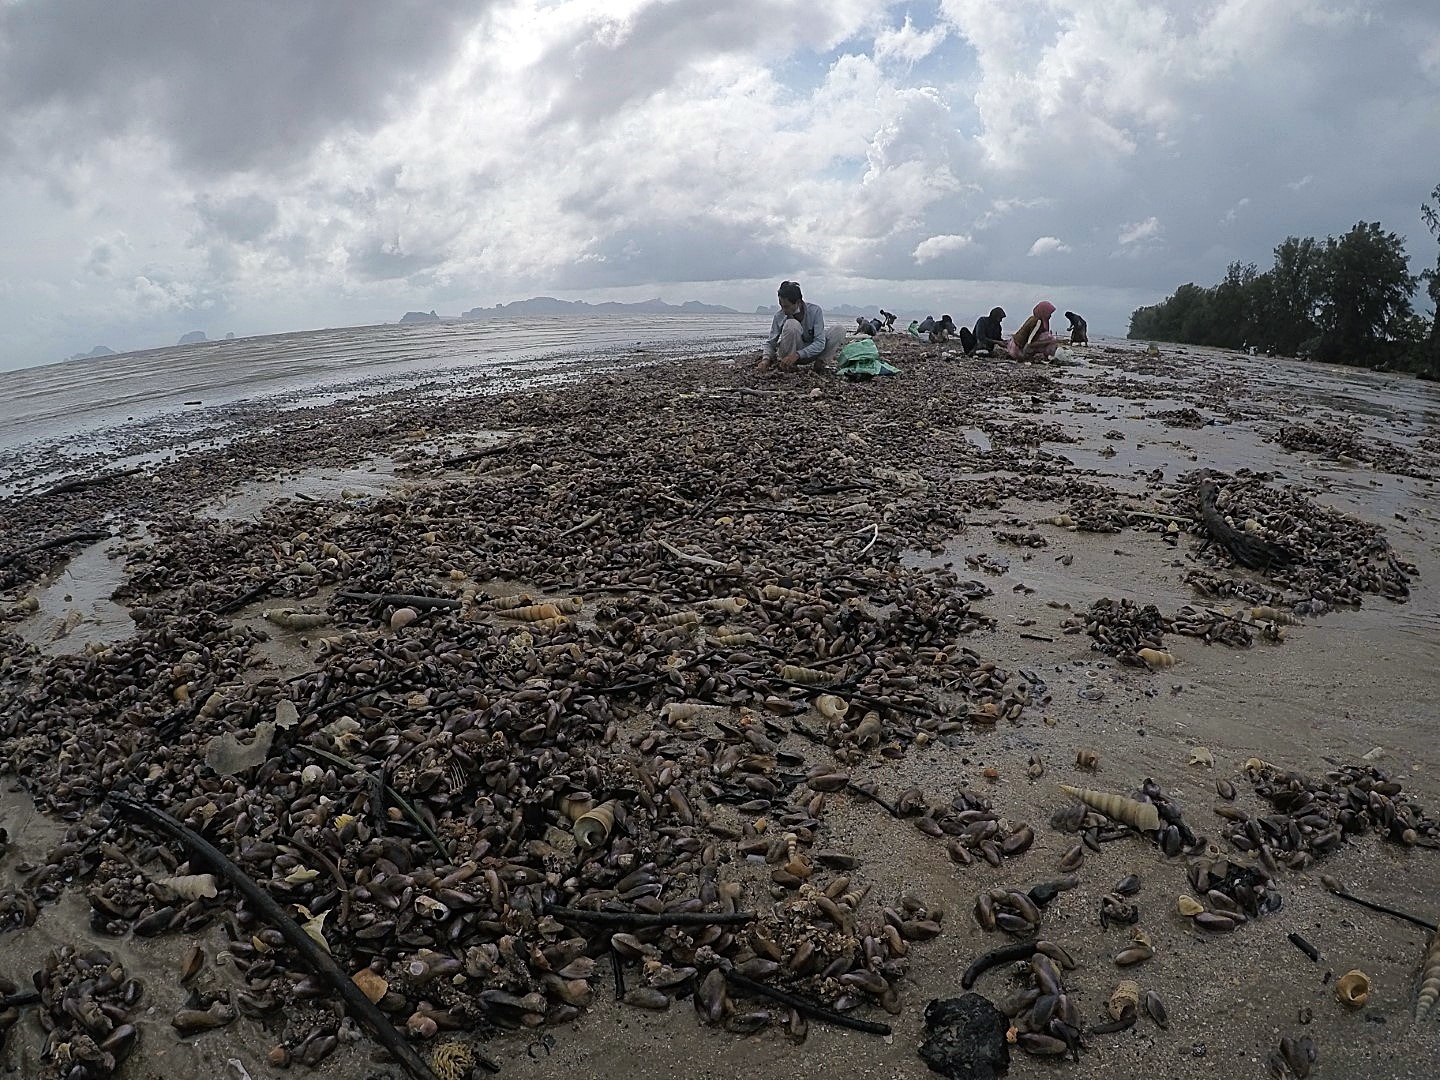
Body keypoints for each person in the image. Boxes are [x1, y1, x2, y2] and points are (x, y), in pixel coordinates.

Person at [758, 280, 845, 373]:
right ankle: (789, 365)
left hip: (808, 353)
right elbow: (771, 342)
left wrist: (798, 354)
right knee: (791, 324)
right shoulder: (779, 316)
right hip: (788, 355)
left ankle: (820, 364)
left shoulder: (815, 311)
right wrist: (765, 359)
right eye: (781, 306)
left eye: (786, 306)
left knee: (839, 330)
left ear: (798, 302)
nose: (783, 310)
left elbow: (820, 342)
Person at [835, 321, 900, 381]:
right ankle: (862, 374)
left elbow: (845, 355)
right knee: (875, 366)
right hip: (869, 360)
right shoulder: (869, 340)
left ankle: (859, 374)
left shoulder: (855, 339)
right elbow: (874, 353)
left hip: (856, 361)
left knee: (855, 367)